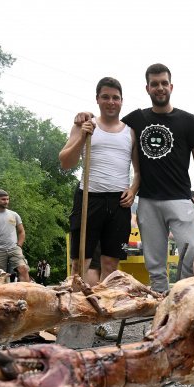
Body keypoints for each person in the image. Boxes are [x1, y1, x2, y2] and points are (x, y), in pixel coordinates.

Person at [121, 63, 194, 293]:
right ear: (147, 88)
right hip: (148, 201)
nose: (159, 88)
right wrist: (86, 118)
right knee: (155, 263)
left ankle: (183, 302)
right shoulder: (136, 119)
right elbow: (110, 126)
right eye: (155, 84)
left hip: (180, 199)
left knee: (189, 254)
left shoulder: (188, 120)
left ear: (171, 86)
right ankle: (159, 315)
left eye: (164, 83)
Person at [60, 77, 138, 285]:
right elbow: (66, 162)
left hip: (118, 202)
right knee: (79, 264)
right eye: (105, 97)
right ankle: (78, 310)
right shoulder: (84, 125)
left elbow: (138, 172)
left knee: (111, 265)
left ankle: (105, 313)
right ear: (97, 99)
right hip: (88, 197)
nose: (111, 102)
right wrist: (81, 136)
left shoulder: (130, 131)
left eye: (115, 98)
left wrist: (133, 190)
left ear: (122, 101)